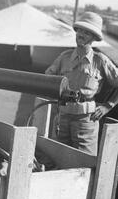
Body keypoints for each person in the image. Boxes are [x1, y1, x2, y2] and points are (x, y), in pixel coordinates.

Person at [45, 12, 118, 155]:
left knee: (84, 162)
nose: (81, 35)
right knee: (57, 157)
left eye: (87, 33)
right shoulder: (64, 57)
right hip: (62, 117)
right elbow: (47, 78)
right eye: (80, 30)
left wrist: (107, 107)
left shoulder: (100, 61)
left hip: (86, 121)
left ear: (94, 38)